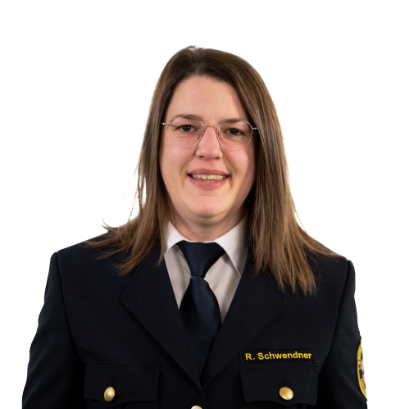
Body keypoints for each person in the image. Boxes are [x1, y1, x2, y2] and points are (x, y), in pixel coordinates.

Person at [21, 44, 367, 408]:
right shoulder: (77, 278)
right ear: (156, 144)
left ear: (262, 150)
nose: (209, 149)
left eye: (233, 131)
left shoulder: (328, 285)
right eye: (187, 127)